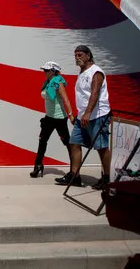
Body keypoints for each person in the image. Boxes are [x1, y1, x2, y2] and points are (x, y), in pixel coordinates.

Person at [55, 45, 112, 189]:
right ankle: (75, 176)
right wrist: (78, 114)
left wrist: (87, 112)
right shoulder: (82, 72)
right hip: (82, 117)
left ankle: (107, 178)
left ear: (88, 55)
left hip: (97, 115)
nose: (77, 58)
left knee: (101, 147)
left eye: (80, 55)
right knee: (74, 143)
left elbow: (95, 93)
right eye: (75, 55)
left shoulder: (96, 72)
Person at [30, 61, 74, 178]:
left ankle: (74, 170)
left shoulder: (57, 83)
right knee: (42, 140)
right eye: (43, 70)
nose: (43, 72)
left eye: (46, 70)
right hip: (49, 117)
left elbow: (66, 100)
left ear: (53, 71)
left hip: (59, 118)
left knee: (67, 143)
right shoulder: (48, 83)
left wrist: (71, 115)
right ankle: (38, 166)